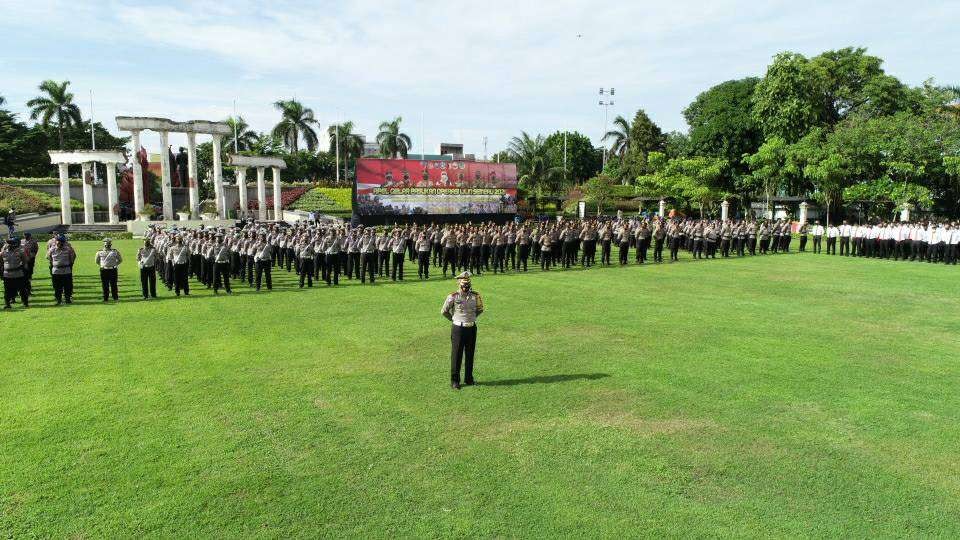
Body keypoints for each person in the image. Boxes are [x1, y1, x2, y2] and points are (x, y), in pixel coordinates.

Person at [440, 271, 484, 390]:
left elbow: (480, 309)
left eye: (468, 286)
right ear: (459, 284)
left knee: (470, 354)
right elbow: (444, 311)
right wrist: (454, 320)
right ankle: (455, 381)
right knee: (457, 355)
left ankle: (469, 379)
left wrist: (472, 318)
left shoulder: (476, 295)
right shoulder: (453, 296)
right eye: (464, 285)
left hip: (471, 328)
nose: (466, 288)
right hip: (458, 329)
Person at [47, 234, 76, 305]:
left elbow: (73, 257)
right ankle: (58, 300)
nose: (59, 243)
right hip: (56, 271)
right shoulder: (52, 249)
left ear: (63, 243)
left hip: (66, 270)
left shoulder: (68, 249)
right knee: (57, 287)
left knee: (67, 286)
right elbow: (48, 257)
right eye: (58, 242)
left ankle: (67, 299)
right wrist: (54, 263)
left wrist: (69, 263)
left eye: (61, 242)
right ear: (56, 242)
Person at [2, 237, 29, 309]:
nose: (8, 245)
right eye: (8, 244)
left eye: (9, 244)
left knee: (22, 289)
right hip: (7, 274)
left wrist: (25, 271)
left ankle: (25, 302)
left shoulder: (21, 252)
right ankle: (7, 304)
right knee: (7, 290)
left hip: (18, 273)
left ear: (14, 245)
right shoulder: (3, 253)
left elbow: (25, 262)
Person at [95, 238, 122, 302]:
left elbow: (120, 260)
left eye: (108, 245)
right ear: (104, 245)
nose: (107, 246)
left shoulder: (115, 251)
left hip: (113, 269)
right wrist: (103, 265)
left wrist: (115, 264)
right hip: (104, 270)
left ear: (111, 245)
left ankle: (115, 297)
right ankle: (105, 298)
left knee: (114, 284)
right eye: (106, 245)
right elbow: (97, 261)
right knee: (105, 284)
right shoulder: (99, 252)